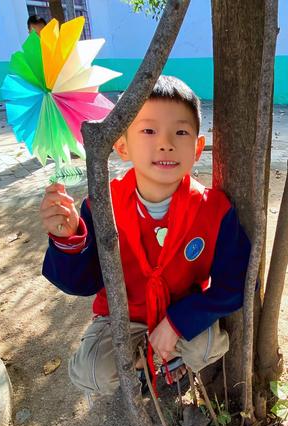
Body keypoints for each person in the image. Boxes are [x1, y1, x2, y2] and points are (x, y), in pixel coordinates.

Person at [40, 75, 251, 396]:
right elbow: (80, 284)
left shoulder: (214, 209)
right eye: (148, 130)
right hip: (123, 320)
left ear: (197, 148)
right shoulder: (101, 205)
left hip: (181, 314)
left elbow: (236, 281)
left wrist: (178, 322)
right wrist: (68, 238)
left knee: (206, 347)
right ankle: (147, 363)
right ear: (122, 145)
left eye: (180, 132)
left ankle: (167, 355)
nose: (165, 142)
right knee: (92, 371)